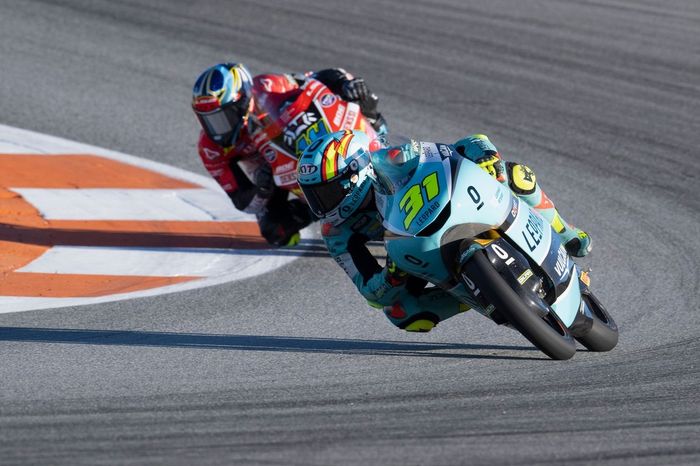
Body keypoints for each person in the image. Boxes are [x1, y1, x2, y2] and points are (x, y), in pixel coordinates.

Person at [296, 130, 592, 332]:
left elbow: (464, 145)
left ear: (356, 172)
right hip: (411, 252)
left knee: (515, 174)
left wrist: (486, 158)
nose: (321, 205)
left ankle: (565, 233)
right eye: (314, 196)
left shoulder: (394, 156)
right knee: (402, 314)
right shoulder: (335, 233)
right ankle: (485, 296)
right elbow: (372, 293)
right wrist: (392, 276)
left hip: (454, 205)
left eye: (326, 192)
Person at [191, 63, 386, 246]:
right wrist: (262, 189)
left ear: (241, 101)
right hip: (270, 174)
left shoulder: (266, 85)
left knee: (356, 91)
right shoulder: (210, 149)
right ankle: (314, 209)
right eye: (207, 120)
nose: (216, 130)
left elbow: (316, 78)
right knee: (275, 231)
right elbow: (242, 202)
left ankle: (376, 132)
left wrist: (346, 84)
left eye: (221, 118)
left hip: (293, 140)